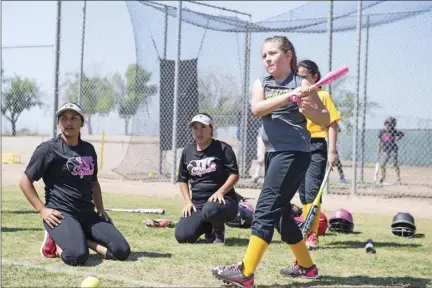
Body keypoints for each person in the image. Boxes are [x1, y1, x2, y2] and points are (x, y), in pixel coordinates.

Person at [211, 36, 330, 287]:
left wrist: (307, 108)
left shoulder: (303, 82)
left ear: (288, 55)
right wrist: (289, 97)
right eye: (264, 55)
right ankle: (307, 267)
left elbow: (324, 118)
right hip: (274, 152)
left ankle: (246, 272)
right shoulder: (262, 83)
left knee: (265, 209)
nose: (267, 59)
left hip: (295, 152)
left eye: (273, 53)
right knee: (280, 215)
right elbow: (257, 108)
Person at [19, 102, 131, 266]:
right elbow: (25, 181)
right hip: (61, 215)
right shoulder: (48, 149)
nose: (68, 123)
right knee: (77, 256)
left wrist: (100, 208)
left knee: (122, 251)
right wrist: (42, 210)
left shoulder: (89, 149)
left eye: (74, 118)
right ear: (58, 123)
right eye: (63, 118)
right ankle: (55, 240)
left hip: (87, 213)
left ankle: (83, 239)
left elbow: (94, 182)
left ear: (82, 122)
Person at [296, 60, 342, 250]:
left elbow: (332, 123)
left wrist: (331, 152)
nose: (301, 81)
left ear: (315, 77)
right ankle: (306, 229)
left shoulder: (322, 95)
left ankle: (312, 234)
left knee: (313, 190)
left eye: (305, 77)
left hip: (316, 145)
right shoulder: (297, 96)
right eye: (298, 78)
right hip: (297, 146)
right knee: (304, 192)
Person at [174, 113, 240, 244]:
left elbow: (235, 174)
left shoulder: (222, 148)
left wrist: (221, 192)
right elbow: (182, 180)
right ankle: (208, 225)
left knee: (211, 209)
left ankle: (218, 229)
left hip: (222, 201)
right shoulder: (187, 150)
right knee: (182, 236)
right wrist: (188, 202)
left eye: (203, 127)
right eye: (195, 128)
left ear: (211, 129)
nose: (199, 132)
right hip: (198, 203)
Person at [377, 117, 404, 183]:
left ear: (393, 125)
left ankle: (398, 178)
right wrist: (378, 150)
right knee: (382, 164)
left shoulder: (394, 131)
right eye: (386, 124)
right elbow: (379, 142)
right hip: (385, 150)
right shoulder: (382, 132)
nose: (387, 126)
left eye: (389, 125)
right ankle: (383, 177)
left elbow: (402, 134)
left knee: (395, 164)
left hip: (393, 149)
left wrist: (398, 138)